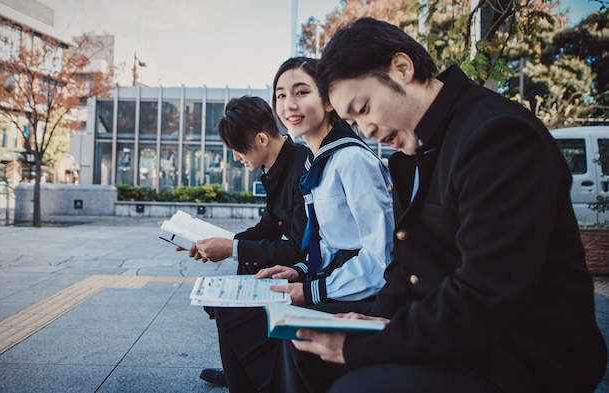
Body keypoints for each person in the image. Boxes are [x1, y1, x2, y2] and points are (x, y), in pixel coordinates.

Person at [272, 17, 608, 393]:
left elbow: (485, 298)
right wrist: (370, 320)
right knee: (301, 342)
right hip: (446, 327)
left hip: (519, 353)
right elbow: (403, 268)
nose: (365, 131)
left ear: (402, 69)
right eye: (352, 120)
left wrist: (368, 343)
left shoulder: (497, 136)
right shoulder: (416, 151)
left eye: (364, 108)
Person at [212, 57, 395, 393]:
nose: (289, 105)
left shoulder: (352, 159)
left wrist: (309, 289)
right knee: (235, 310)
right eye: (280, 96)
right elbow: (327, 242)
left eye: (301, 92)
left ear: (328, 100)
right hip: (333, 277)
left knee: (275, 322)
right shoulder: (318, 159)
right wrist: (297, 269)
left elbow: (380, 261)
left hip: (363, 290)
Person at [182, 95, 310, 387]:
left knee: (233, 293)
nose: (236, 157)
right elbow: (269, 226)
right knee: (230, 289)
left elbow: (300, 246)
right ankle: (237, 367)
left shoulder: (302, 166)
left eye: (237, 149)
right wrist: (214, 242)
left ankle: (244, 372)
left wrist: (232, 248)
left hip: (307, 266)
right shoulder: (277, 166)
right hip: (291, 258)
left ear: (261, 139)